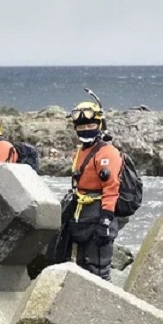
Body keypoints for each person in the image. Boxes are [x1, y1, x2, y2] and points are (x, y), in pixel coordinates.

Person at [61, 101, 122, 281]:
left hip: (99, 214)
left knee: (99, 270)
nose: (85, 129)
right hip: (81, 215)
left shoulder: (107, 153)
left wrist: (105, 220)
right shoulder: (81, 151)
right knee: (82, 267)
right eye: (81, 126)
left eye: (90, 125)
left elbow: (111, 188)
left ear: (99, 125)